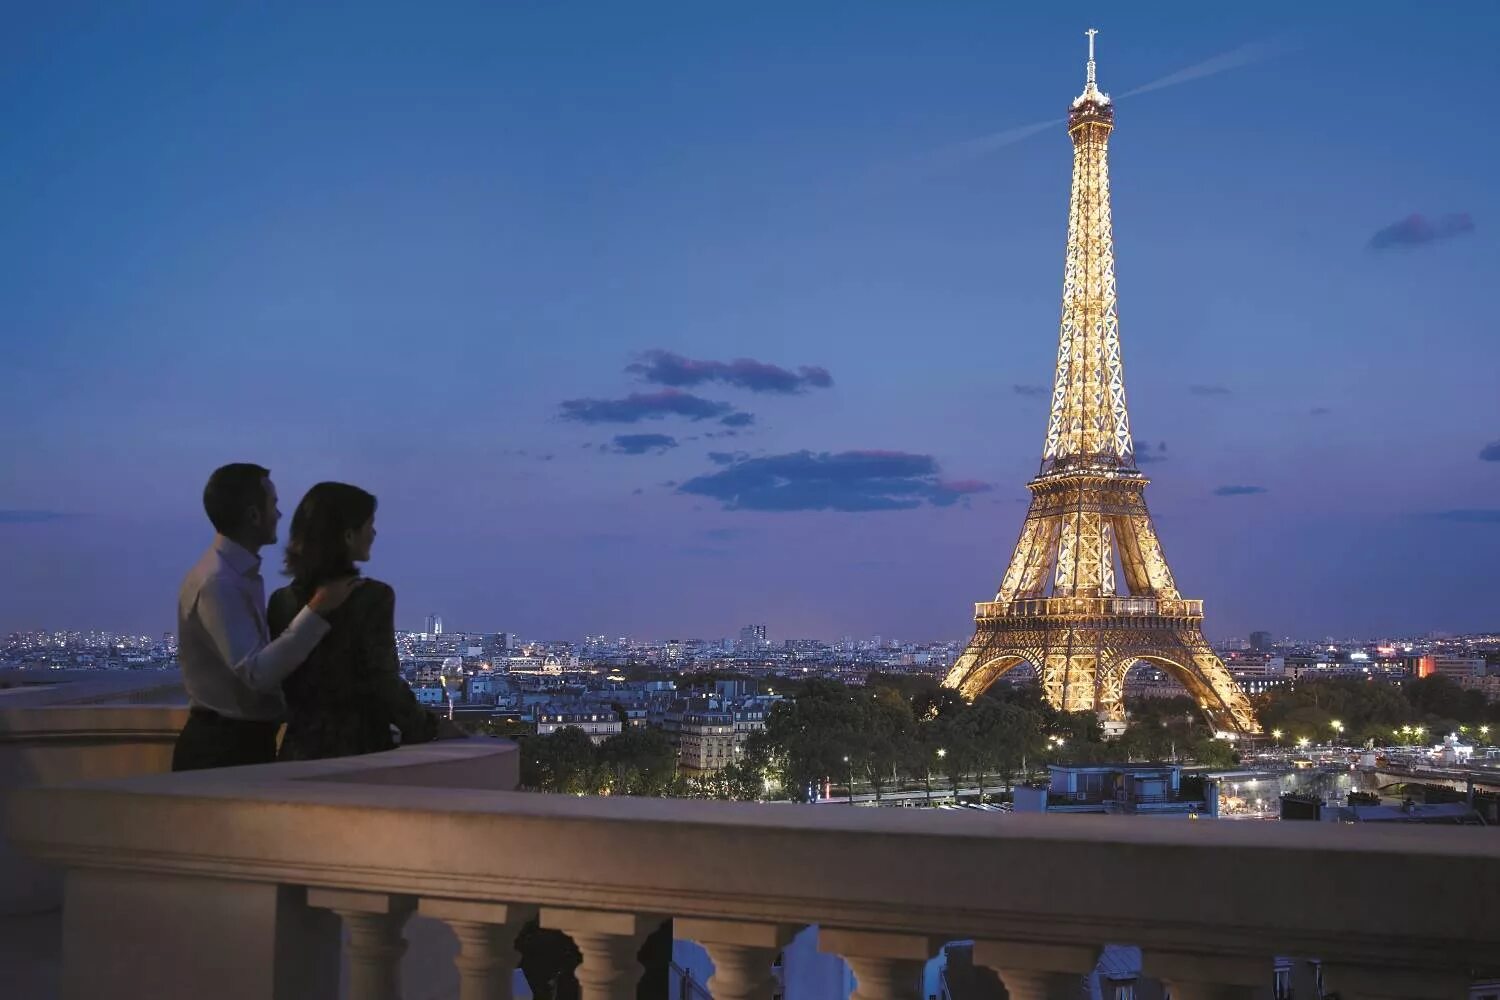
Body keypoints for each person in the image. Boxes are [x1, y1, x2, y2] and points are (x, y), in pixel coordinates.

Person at [173, 464, 362, 771]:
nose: (279, 515)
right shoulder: (218, 582)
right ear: (253, 515)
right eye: (273, 505)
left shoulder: (230, 575)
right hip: (223, 750)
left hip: (236, 743)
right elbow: (257, 673)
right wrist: (317, 610)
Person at [267, 482, 440, 760]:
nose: (373, 533)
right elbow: (383, 681)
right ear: (348, 535)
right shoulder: (372, 597)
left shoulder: (280, 601)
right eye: (368, 525)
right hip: (361, 748)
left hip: (298, 750)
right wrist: (428, 727)